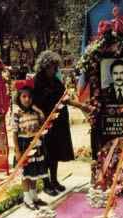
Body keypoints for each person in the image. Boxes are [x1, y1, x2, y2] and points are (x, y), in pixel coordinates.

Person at [33, 50, 90, 196]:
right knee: (45, 154)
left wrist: (81, 106)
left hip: (59, 121)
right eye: (53, 66)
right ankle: (46, 184)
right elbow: (32, 102)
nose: (55, 69)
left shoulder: (56, 81)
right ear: (45, 66)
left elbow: (64, 98)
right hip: (45, 122)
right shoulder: (37, 81)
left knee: (55, 152)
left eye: (56, 66)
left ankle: (54, 180)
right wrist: (39, 114)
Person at [12, 86, 48, 210]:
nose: (27, 99)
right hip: (23, 145)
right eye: (24, 96)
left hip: (36, 143)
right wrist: (17, 151)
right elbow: (15, 133)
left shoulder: (35, 112)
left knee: (35, 172)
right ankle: (27, 198)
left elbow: (44, 122)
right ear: (19, 98)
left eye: (29, 97)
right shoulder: (16, 113)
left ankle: (34, 197)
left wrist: (38, 110)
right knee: (26, 174)